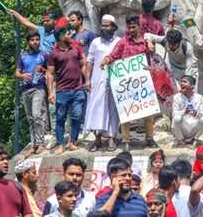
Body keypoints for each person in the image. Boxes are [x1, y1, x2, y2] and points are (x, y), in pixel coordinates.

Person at [100, 14, 158, 151]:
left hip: (143, 82)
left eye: (133, 27)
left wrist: (151, 68)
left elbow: (154, 59)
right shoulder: (123, 42)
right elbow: (113, 55)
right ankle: (126, 140)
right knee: (126, 112)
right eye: (129, 27)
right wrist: (106, 60)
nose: (131, 30)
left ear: (139, 26)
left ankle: (149, 138)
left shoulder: (146, 42)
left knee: (149, 112)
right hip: (126, 84)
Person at [46, 26, 88, 153]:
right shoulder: (53, 54)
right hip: (62, 91)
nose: (69, 35)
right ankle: (60, 144)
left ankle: (72, 142)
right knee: (60, 118)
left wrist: (87, 81)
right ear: (60, 36)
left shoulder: (76, 49)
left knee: (77, 116)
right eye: (66, 33)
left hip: (78, 89)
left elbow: (83, 64)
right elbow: (50, 74)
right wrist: (50, 93)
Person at [83, 15, 121, 152]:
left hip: (114, 81)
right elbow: (89, 61)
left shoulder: (119, 42)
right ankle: (97, 140)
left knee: (112, 110)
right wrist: (87, 80)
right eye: (102, 25)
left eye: (107, 25)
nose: (104, 28)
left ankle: (112, 138)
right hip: (96, 81)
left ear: (113, 27)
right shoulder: (95, 42)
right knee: (95, 110)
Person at [16, 29, 48, 155]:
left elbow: (50, 71)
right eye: (32, 40)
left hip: (39, 88)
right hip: (25, 89)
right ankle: (33, 143)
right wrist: (23, 76)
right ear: (28, 42)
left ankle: (41, 143)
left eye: (37, 39)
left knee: (36, 115)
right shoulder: (23, 56)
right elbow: (17, 72)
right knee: (30, 118)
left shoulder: (44, 55)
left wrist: (43, 70)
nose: (35, 42)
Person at [171, 75, 203, 146]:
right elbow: (174, 114)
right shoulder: (177, 97)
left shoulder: (199, 97)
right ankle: (181, 140)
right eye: (181, 82)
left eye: (185, 82)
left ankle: (195, 139)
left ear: (192, 86)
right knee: (177, 118)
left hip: (194, 126)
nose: (181, 84)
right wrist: (184, 112)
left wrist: (196, 113)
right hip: (182, 127)